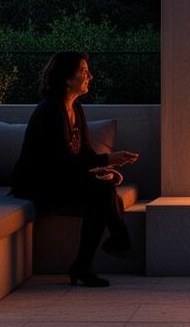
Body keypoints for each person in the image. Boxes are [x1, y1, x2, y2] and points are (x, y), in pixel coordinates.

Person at [12, 51, 141, 287]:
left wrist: (107, 167)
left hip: (61, 177)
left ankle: (90, 261)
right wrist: (107, 159)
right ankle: (110, 245)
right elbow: (61, 161)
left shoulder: (75, 108)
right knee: (102, 193)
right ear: (67, 78)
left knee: (103, 189)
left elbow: (84, 153)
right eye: (83, 71)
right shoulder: (50, 110)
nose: (90, 76)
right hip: (39, 183)